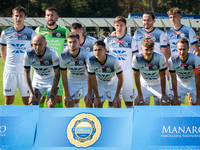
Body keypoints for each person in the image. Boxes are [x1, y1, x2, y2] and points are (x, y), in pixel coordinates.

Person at [0, 6, 36, 105]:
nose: (18, 18)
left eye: (21, 16)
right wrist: (9, 63)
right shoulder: (5, 33)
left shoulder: (31, 33)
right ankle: (9, 120)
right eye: (16, 16)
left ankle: (28, 120)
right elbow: (3, 50)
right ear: (12, 16)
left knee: (27, 99)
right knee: (8, 99)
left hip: (25, 71)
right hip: (9, 70)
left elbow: (34, 51)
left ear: (25, 17)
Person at [35, 7, 70, 108]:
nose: (50, 17)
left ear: (57, 17)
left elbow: (74, 41)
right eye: (48, 15)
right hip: (42, 67)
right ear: (45, 17)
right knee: (40, 97)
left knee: (58, 98)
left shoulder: (64, 30)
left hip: (57, 69)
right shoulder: (39, 30)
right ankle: (40, 119)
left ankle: (57, 121)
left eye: (52, 15)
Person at [133, 11, 170, 105]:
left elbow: (164, 53)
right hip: (144, 70)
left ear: (154, 21)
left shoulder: (160, 33)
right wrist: (115, 33)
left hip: (158, 68)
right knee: (142, 103)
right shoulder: (138, 32)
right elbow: (133, 48)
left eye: (148, 20)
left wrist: (166, 70)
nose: (146, 22)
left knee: (160, 102)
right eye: (144, 20)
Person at [166, 7, 199, 105]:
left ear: (180, 17)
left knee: (192, 101)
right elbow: (167, 52)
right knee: (175, 101)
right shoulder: (167, 32)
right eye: (171, 17)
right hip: (175, 68)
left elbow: (196, 49)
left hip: (189, 69)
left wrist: (191, 64)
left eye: (175, 17)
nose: (173, 19)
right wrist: (167, 68)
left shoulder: (188, 30)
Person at [104, 16, 138, 108]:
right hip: (113, 74)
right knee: (112, 102)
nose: (119, 28)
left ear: (125, 26)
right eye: (117, 25)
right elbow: (105, 57)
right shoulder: (108, 40)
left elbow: (135, 59)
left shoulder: (131, 40)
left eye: (121, 25)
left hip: (127, 73)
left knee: (129, 102)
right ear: (114, 26)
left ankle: (129, 121)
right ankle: (113, 122)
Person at [23, 34, 60, 108]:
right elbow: (26, 74)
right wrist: (32, 93)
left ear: (45, 44)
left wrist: (52, 94)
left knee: (51, 104)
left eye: (40, 44)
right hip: (38, 80)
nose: (37, 47)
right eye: (35, 44)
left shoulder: (52, 53)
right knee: (32, 104)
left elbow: (57, 74)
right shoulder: (28, 54)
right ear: (32, 44)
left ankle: (50, 119)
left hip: (51, 80)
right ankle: (36, 120)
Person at [132, 38, 170, 105]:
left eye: (151, 49)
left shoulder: (160, 57)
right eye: (146, 50)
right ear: (141, 49)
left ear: (153, 48)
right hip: (145, 85)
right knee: (138, 103)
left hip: (159, 84)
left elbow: (162, 76)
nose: (149, 52)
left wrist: (163, 94)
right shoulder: (137, 58)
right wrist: (140, 95)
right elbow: (136, 77)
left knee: (165, 103)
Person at [86, 40, 123, 108]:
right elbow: (93, 80)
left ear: (105, 50)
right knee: (97, 105)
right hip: (101, 84)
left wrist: (117, 95)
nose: (97, 52)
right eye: (95, 50)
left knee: (117, 104)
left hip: (113, 84)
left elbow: (121, 78)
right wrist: (97, 97)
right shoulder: (91, 61)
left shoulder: (114, 61)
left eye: (99, 50)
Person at [68, 22, 97, 107]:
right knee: (74, 100)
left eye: (76, 33)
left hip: (89, 76)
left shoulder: (92, 42)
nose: (75, 35)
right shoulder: (70, 44)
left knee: (89, 100)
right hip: (75, 76)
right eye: (73, 33)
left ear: (81, 31)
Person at [59, 32, 91, 107]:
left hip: (85, 80)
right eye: (70, 42)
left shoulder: (86, 54)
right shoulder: (63, 56)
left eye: (74, 42)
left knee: (89, 101)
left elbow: (90, 74)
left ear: (79, 42)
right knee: (68, 102)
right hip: (72, 79)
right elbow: (63, 75)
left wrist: (89, 93)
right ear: (67, 42)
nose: (72, 44)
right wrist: (66, 94)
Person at [169, 38, 200, 105]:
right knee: (175, 104)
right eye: (180, 49)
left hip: (193, 84)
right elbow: (173, 79)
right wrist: (175, 96)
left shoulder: (196, 59)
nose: (182, 52)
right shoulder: (172, 60)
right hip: (179, 85)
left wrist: (198, 96)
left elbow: (198, 79)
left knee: (198, 104)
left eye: (184, 49)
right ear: (177, 48)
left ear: (188, 48)